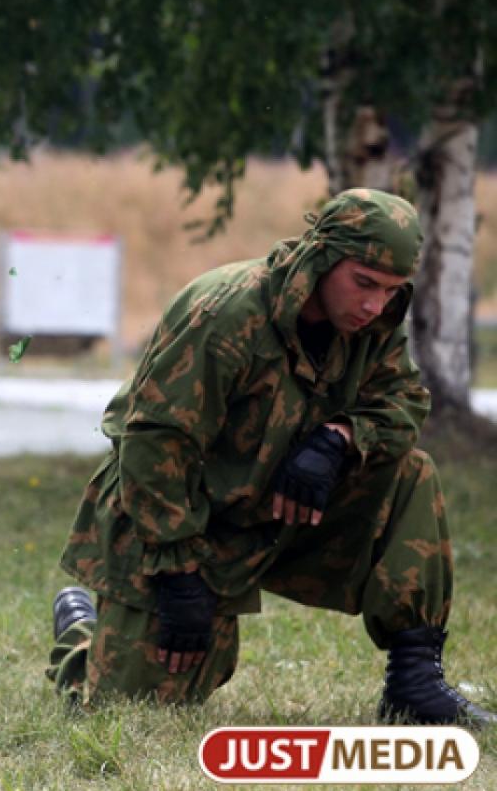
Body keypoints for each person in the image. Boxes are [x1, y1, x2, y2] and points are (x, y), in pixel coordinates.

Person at [46, 188, 493, 727]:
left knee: (411, 473)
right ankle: (80, 634)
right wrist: (178, 571)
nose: (376, 305)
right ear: (323, 255)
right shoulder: (227, 313)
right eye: (364, 283)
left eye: (393, 290)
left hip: (277, 515)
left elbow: (404, 400)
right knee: (133, 708)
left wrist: (338, 438)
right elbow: (154, 442)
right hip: (181, 523)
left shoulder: (373, 325)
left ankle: (415, 682)